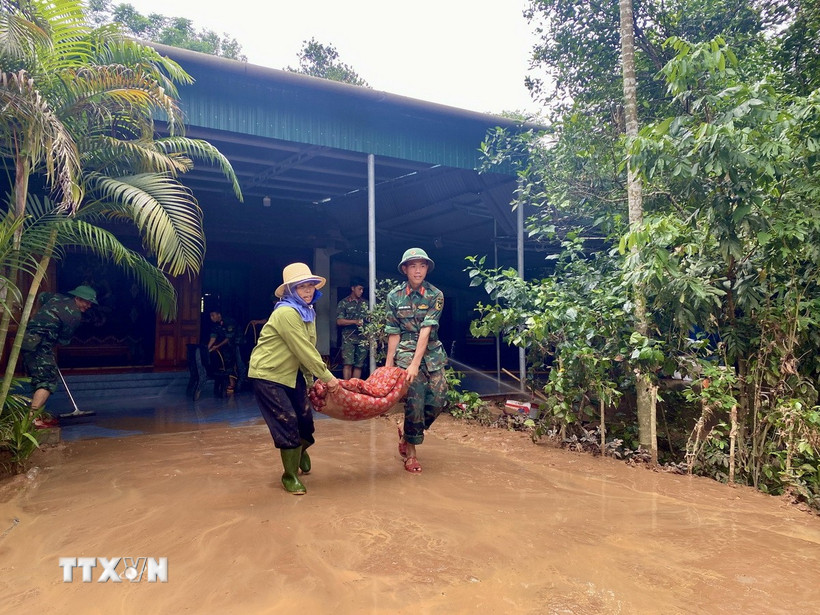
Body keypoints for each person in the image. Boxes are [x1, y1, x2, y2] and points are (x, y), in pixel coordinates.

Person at [248, 263, 340, 495]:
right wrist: (327, 377)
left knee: (306, 422)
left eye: (310, 286)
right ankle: (289, 476)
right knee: (287, 422)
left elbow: (309, 347)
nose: (308, 292)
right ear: (291, 290)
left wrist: (310, 381)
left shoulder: (307, 312)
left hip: (293, 374)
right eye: (302, 287)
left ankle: (299, 451)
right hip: (269, 375)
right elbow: (303, 349)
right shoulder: (286, 312)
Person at [385, 248, 448, 474]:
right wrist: (389, 365)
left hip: (430, 351)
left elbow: (426, 330)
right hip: (404, 351)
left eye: (422, 265)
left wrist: (415, 363)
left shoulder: (435, 295)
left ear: (427, 268)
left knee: (439, 398)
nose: (418, 270)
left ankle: (407, 430)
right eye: (413, 266)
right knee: (415, 400)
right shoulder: (394, 296)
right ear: (405, 269)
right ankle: (411, 453)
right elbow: (393, 331)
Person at [20, 285, 98, 428]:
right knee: (47, 380)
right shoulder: (74, 316)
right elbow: (63, 341)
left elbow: (42, 295)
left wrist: (35, 314)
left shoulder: (57, 297)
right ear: (77, 298)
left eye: (90, 303)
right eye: (86, 301)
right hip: (38, 346)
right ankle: (32, 419)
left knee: (40, 377)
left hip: (27, 340)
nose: (89, 305)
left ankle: (36, 415)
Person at [335, 278, 369, 380]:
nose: (361, 292)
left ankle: (354, 387)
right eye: (359, 289)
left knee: (359, 364)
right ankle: (347, 387)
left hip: (363, 338)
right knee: (348, 363)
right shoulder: (344, 303)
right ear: (353, 288)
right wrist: (355, 322)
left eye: (362, 289)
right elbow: (339, 321)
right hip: (348, 338)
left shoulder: (366, 303)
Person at [207, 309, 240, 394]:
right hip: (225, 348)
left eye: (213, 315)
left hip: (237, 344)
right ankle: (229, 383)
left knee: (232, 364)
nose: (211, 318)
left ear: (219, 314)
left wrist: (217, 346)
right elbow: (213, 338)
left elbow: (229, 338)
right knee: (225, 363)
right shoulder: (215, 325)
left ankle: (234, 384)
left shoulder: (229, 322)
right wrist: (208, 349)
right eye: (210, 316)